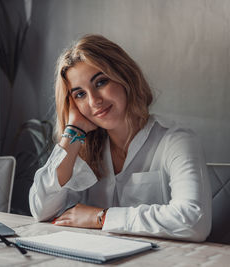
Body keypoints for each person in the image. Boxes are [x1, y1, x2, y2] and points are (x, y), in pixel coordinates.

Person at [29, 34, 212, 242]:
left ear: (124, 76)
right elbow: (41, 210)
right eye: (80, 94)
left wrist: (101, 217)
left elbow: (194, 221)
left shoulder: (176, 141)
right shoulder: (83, 149)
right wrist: (72, 131)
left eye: (100, 82)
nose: (94, 101)